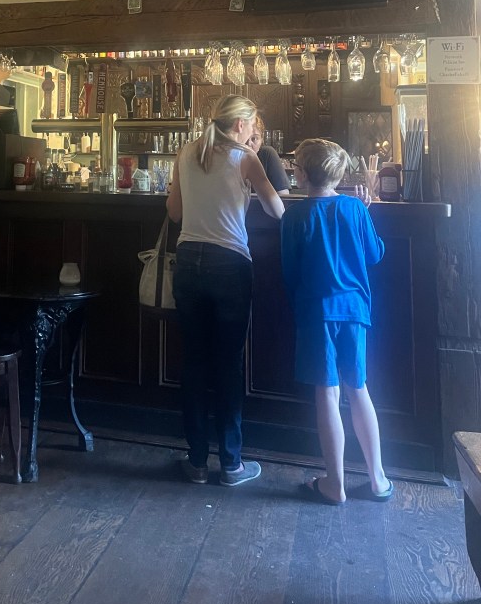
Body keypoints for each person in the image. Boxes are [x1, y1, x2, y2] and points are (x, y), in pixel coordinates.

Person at [166, 95, 285, 486]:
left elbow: (175, 212)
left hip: (188, 263)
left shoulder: (186, 152)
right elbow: (277, 210)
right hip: (230, 263)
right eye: (252, 124)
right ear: (240, 125)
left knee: (195, 362)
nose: (254, 131)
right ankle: (231, 464)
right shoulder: (244, 157)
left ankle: (197, 461)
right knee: (229, 365)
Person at [280, 138, 393, 505]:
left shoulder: (294, 215)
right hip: (356, 310)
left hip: (316, 312)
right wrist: (366, 211)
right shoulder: (355, 209)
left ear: (299, 174)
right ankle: (377, 478)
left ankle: (335, 483)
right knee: (358, 388)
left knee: (327, 394)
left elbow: (289, 272)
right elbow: (375, 254)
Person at [246, 116, 291, 195]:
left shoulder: (267, 154)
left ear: (262, 139)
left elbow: (284, 195)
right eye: (245, 138)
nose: (249, 144)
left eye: (254, 139)